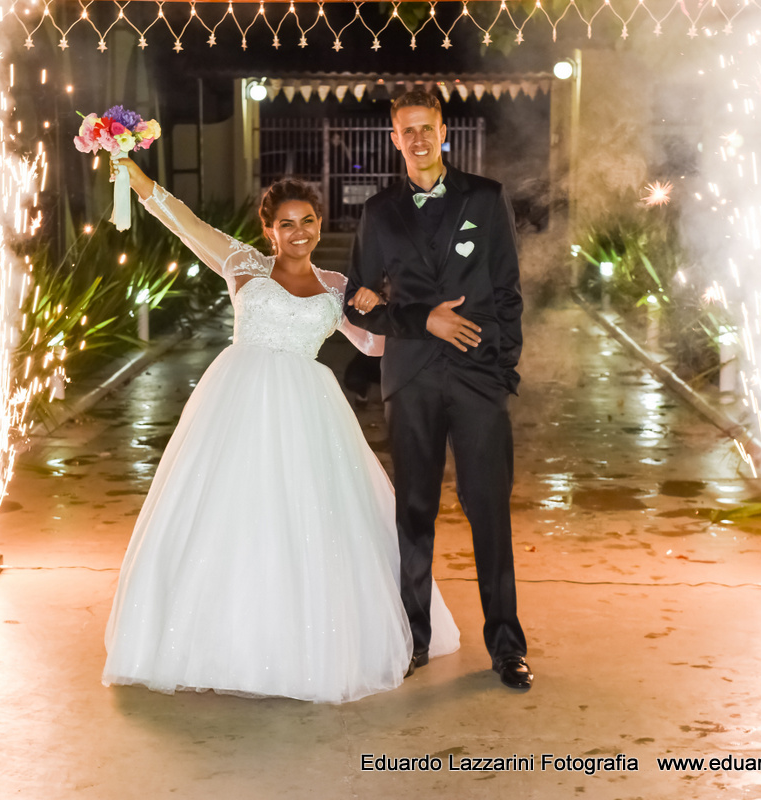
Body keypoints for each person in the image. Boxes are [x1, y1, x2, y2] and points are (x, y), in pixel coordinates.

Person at [101, 158, 459, 703]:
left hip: (306, 409)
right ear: (269, 229)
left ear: (320, 223)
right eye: (287, 223)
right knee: (225, 514)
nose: (300, 233)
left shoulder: (337, 285)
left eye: (309, 221)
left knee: (307, 519)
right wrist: (136, 177)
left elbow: (372, 345)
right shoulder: (242, 264)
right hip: (236, 399)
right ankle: (218, 639)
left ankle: (297, 640)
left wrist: (394, 312)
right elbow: (185, 221)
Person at [343, 90, 532, 690]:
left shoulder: (485, 196)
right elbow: (359, 301)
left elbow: (506, 290)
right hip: (413, 379)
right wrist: (421, 319)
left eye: (427, 128)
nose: (418, 139)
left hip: (478, 380)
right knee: (414, 514)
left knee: (489, 513)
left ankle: (506, 648)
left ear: (443, 132)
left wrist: (501, 369)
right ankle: (413, 640)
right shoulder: (378, 213)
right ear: (394, 138)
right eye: (407, 131)